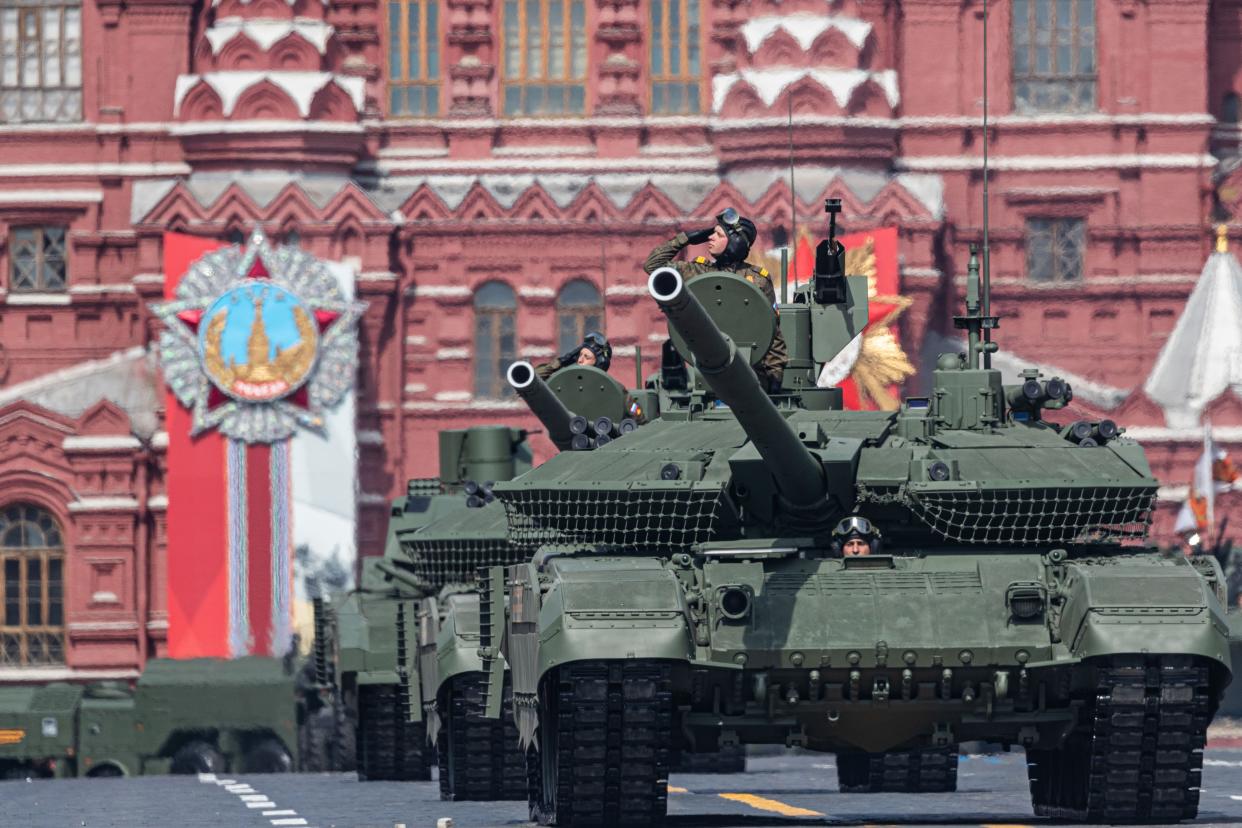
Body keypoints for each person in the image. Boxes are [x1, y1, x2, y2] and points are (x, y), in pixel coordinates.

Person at [643, 208, 789, 392]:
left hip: (752, 373)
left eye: (718, 235)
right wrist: (685, 239)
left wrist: (775, 376)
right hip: (705, 372)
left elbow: (772, 331)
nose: (710, 238)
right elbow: (652, 265)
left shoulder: (757, 280)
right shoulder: (698, 271)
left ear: (735, 242)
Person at [535, 331, 612, 380]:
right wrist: (562, 361)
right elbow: (532, 378)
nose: (580, 360)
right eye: (580, 355)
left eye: (587, 357)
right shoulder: (566, 379)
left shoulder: (609, 387)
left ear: (599, 364)